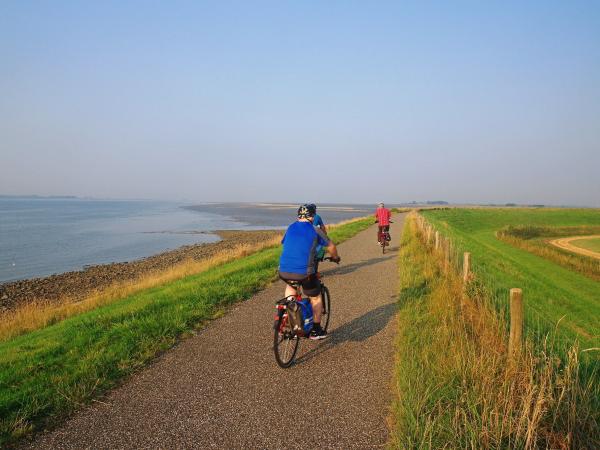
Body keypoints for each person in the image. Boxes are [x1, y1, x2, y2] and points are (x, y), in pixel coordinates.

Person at [279, 204, 340, 340]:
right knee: (315, 297)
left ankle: (290, 318)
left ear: (298, 215)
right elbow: (331, 246)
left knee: (291, 287)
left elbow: (285, 243)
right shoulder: (315, 230)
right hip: (304, 274)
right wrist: (335, 258)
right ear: (312, 216)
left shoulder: (290, 228)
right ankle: (316, 331)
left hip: (283, 271)